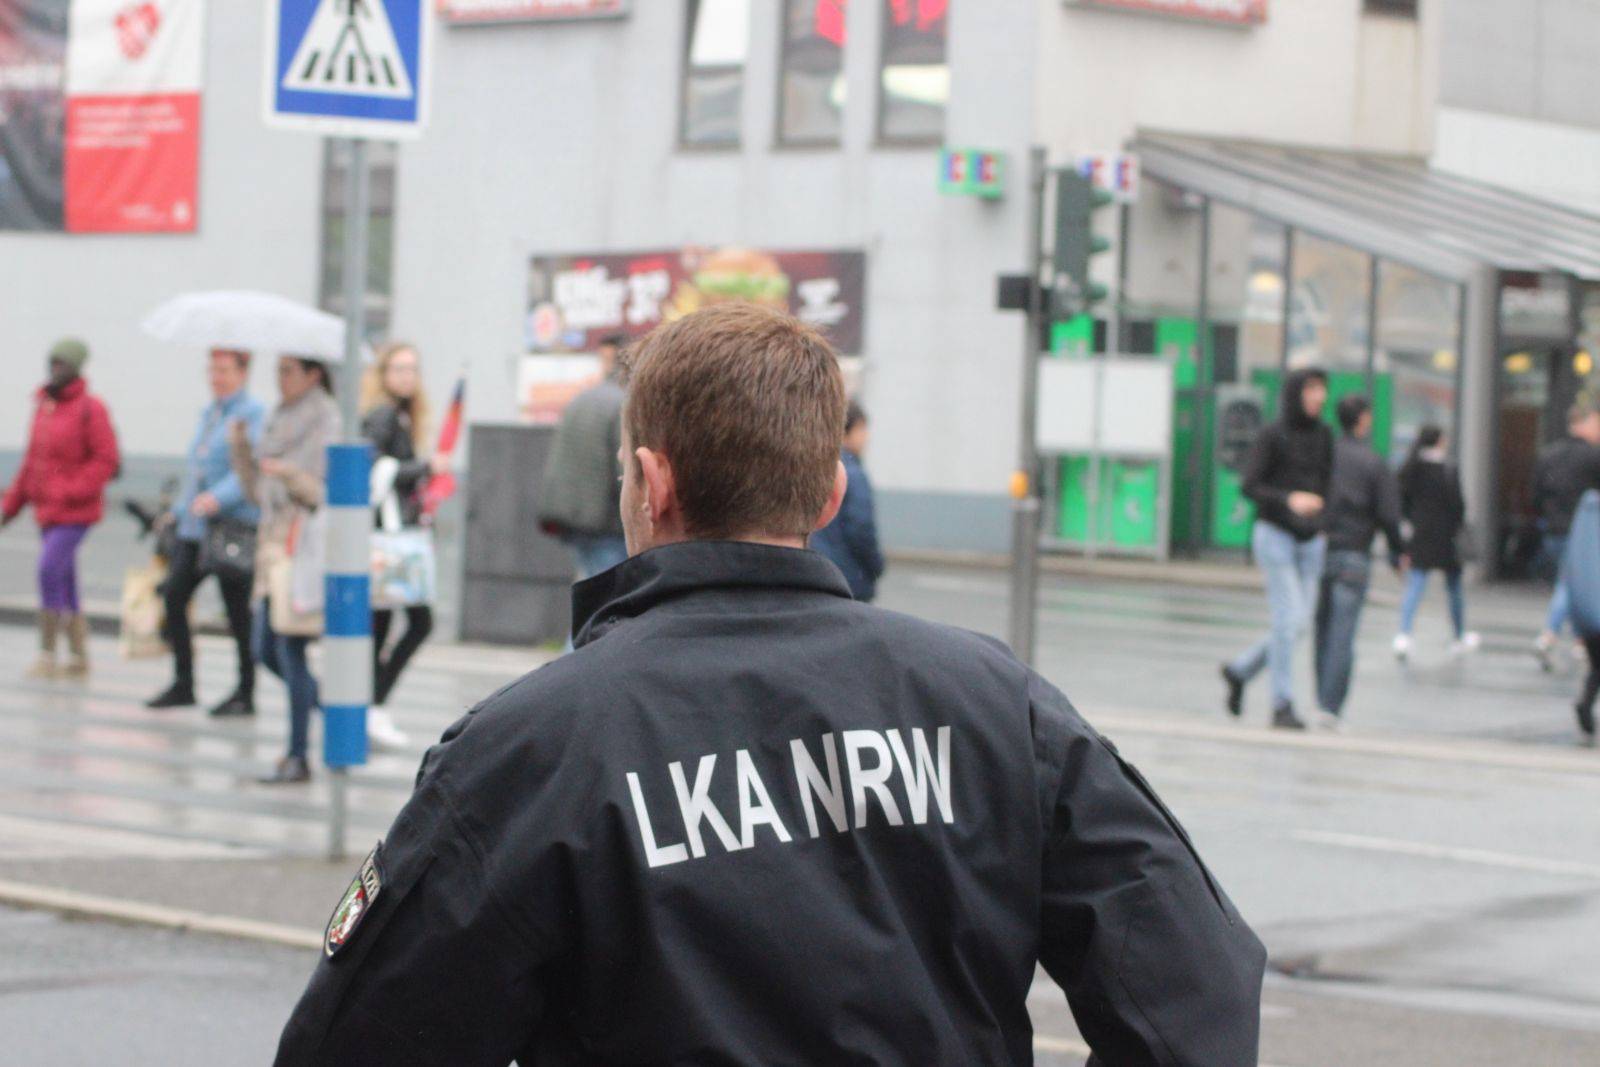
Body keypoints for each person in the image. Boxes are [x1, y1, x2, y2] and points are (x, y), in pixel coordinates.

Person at [274, 304, 1266, 1066]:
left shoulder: (532, 748)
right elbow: (1196, 983)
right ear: (830, 492)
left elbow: (356, 1041)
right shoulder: (994, 703)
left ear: (651, 483)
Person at [232, 355, 341, 785]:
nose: (280, 379)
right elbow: (257, 493)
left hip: (302, 548)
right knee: (263, 648)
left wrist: (291, 474)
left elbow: (323, 493)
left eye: (288, 370)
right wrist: (240, 449)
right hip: (272, 547)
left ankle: (298, 756)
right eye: (277, 370)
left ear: (313, 374)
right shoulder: (277, 418)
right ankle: (334, 712)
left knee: (289, 650)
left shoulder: (326, 419)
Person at [145, 349, 265, 716]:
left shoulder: (251, 414)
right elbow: (196, 470)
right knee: (174, 596)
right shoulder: (209, 414)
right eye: (212, 370)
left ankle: (245, 691)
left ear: (243, 373)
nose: (216, 377)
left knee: (237, 613)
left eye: (224, 370)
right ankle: (184, 682)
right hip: (195, 529)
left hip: (231, 526)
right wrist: (178, 514)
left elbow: (248, 468)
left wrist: (218, 497)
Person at [1221, 368, 1333, 731]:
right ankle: (1282, 703)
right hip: (1276, 535)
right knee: (1289, 620)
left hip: (1311, 540)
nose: (1319, 397)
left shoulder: (1325, 435)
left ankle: (1241, 670)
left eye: (1322, 390)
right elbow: (1250, 485)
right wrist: (1290, 499)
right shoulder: (1273, 434)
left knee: (1298, 625)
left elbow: (1329, 483)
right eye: (1312, 389)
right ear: (1297, 392)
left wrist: (1323, 520)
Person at [2, 338, 120, 680]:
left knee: (49, 569)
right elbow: (31, 463)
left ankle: (48, 652)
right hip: (47, 510)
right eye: (53, 363)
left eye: (63, 364)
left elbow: (106, 460)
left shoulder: (90, 408)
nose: (56, 369)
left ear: (77, 367)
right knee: (65, 580)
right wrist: (9, 507)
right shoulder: (43, 406)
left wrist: (70, 490)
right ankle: (80, 656)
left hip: (75, 511)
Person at [361, 342, 448, 744]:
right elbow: (377, 470)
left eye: (412, 369)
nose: (406, 376)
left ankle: (369, 707)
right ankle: (372, 705)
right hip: (388, 539)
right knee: (415, 621)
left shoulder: (398, 416)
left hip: (389, 537)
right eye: (398, 369)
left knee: (384, 626)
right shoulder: (383, 416)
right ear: (383, 374)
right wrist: (425, 467)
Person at [1312, 395, 1404, 731]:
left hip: (1321, 548)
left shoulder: (1327, 456)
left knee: (1322, 629)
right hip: (1355, 553)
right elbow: (1389, 514)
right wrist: (1397, 554)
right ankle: (1330, 707)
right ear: (1363, 420)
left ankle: (1319, 697)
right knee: (1342, 634)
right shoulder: (1373, 462)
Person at [537, 332, 627, 579]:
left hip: (575, 520)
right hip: (605, 525)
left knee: (589, 590)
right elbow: (626, 473)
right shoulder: (621, 403)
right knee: (607, 600)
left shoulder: (583, 398)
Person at [1394, 425, 1479, 660]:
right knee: (1454, 588)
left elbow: (1401, 499)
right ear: (1440, 441)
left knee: (1416, 584)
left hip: (1421, 535)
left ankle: (1404, 633)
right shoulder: (1448, 468)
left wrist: (1411, 522)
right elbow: (1458, 505)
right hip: (1446, 537)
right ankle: (1458, 634)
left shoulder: (1412, 467)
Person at [1531, 403, 1600, 670]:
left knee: (1569, 583)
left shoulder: (1549, 455)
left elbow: (1535, 493)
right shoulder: (1593, 458)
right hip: (1584, 535)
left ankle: (1577, 639)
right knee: (1571, 585)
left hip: (1553, 530)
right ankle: (1552, 635)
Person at [811, 399, 887, 601]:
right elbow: (861, 527)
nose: (867, 437)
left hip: (819, 574)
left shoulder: (815, 466)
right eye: (862, 429)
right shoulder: (853, 472)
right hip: (850, 578)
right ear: (847, 431)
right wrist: (876, 566)